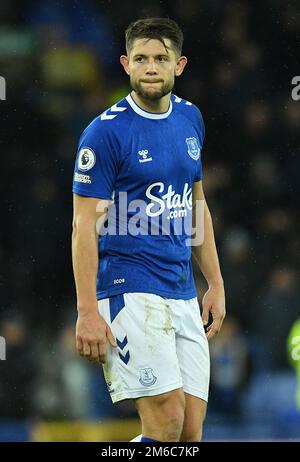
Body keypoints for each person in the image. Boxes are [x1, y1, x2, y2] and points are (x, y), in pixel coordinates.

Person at [72, 17, 226, 443]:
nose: (151, 67)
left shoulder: (191, 119)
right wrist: (87, 311)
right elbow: (83, 226)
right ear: (126, 64)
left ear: (180, 65)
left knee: (191, 433)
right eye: (141, 58)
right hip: (128, 285)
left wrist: (213, 281)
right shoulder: (105, 133)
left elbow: (196, 204)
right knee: (166, 421)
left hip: (181, 290)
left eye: (161, 58)